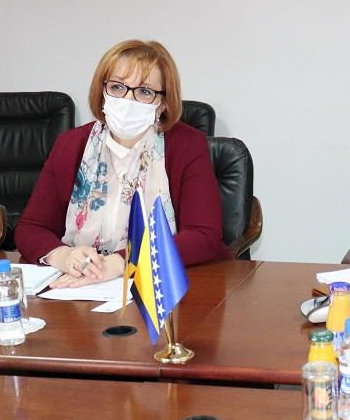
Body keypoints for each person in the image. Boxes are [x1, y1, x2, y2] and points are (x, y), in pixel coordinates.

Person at [16, 40, 229, 287]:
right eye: (117, 87)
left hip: (165, 287)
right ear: (102, 92)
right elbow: (31, 228)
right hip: (82, 285)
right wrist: (63, 255)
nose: (128, 100)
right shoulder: (71, 144)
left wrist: (121, 262)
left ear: (163, 104)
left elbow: (204, 236)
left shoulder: (187, 145)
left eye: (145, 91)